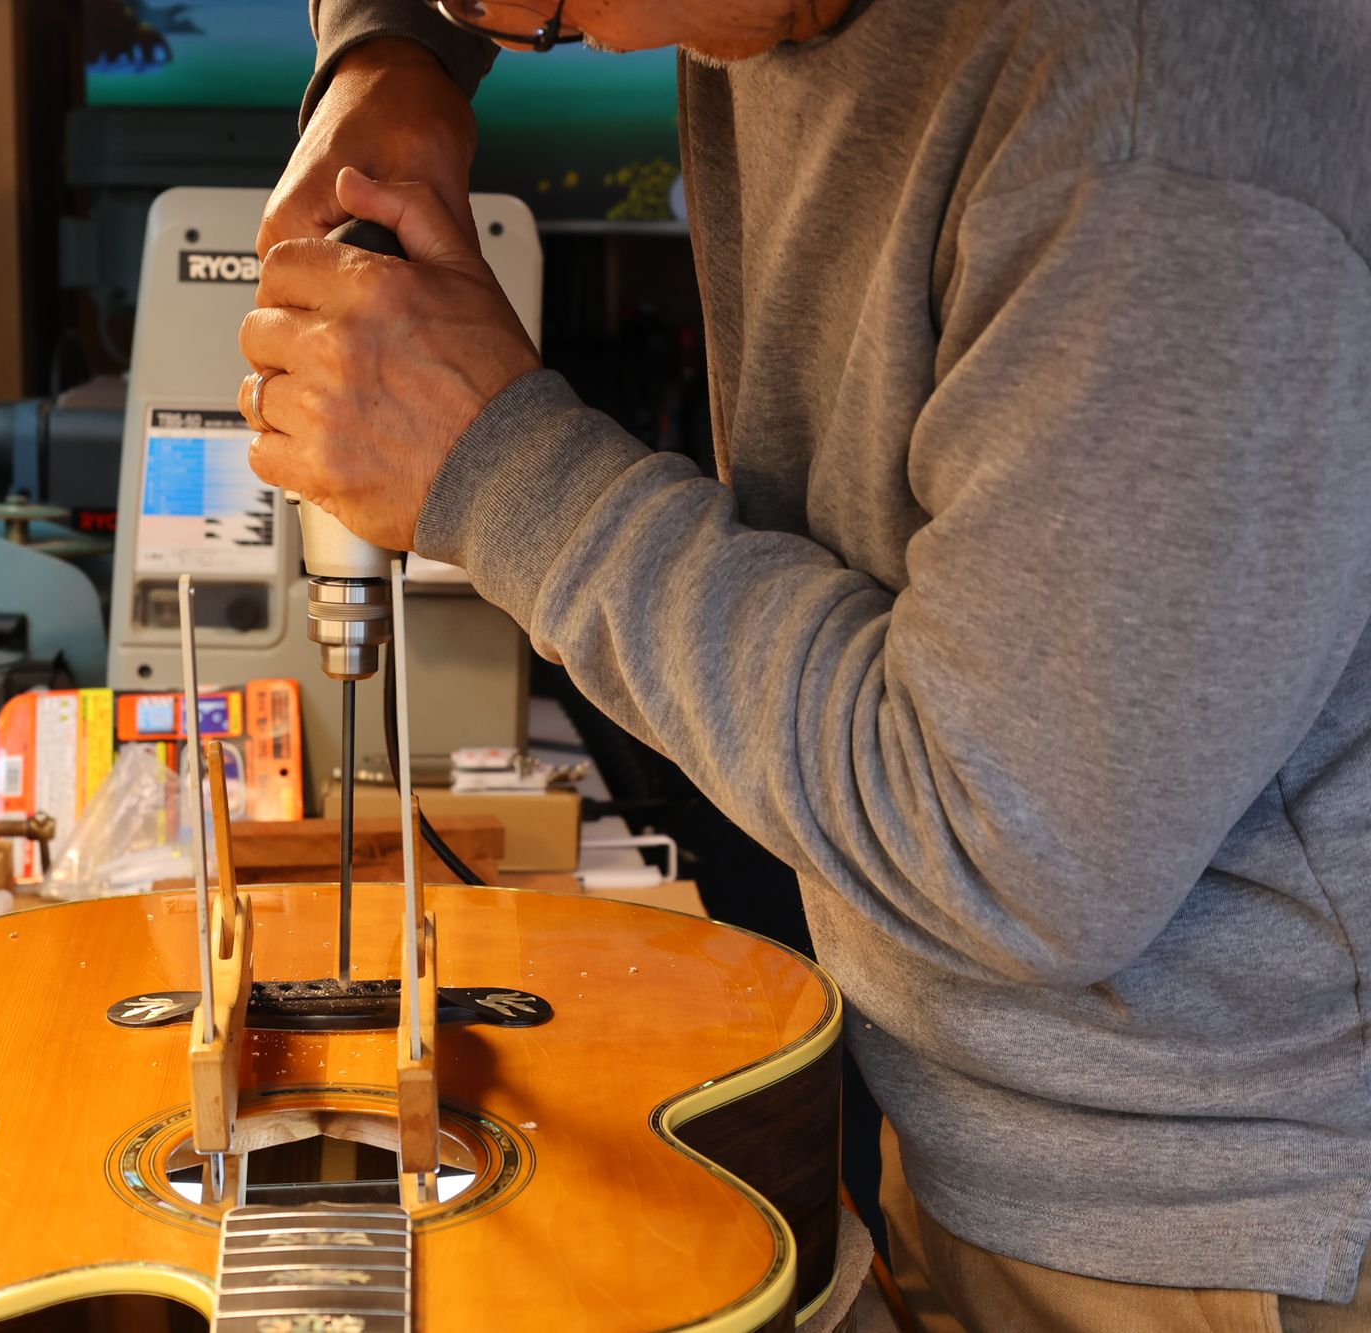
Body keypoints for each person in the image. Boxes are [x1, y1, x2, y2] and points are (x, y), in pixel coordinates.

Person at [236, 1, 1371, 1330]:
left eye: (535, 10)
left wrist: (500, 473)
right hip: (949, 1127)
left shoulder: (1153, 155)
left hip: (1207, 1228)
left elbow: (1007, 846)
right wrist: (397, 55)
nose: (502, 14)